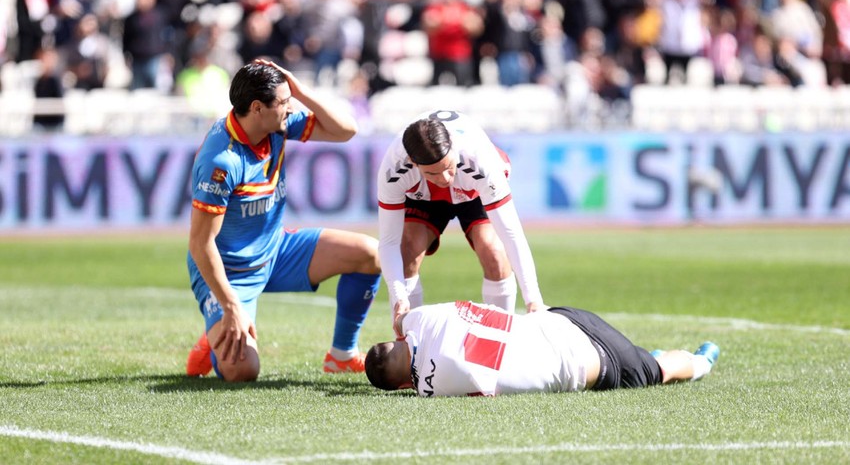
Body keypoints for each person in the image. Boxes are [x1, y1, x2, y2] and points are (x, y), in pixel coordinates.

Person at [185, 59, 382, 382]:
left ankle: (342, 356)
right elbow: (200, 243)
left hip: (276, 250)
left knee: (370, 254)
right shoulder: (221, 161)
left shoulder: (277, 124)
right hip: (231, 273)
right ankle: (214, 338)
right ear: (257, 108)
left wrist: (300, 91)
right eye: (284, 102)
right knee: (243, 370)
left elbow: (346, 130)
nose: (290, 109)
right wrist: (231, 305)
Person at [376, 110, 546, 338]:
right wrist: (398, 296)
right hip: (424, 196)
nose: (445, 179)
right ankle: (410, 343)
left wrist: (533, 299)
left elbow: (512, 234)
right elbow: (388, 242)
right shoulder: (394, 169)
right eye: (433, 172)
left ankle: (501, 340)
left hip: (473, 190)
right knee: (407, 249)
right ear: (413, 163)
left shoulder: (480, 160)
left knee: (493, 250)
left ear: (453, 147)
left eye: (447, 167)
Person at [365, 300, 721, 397]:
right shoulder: (424, 320)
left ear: (402, 387)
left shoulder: (435, 388)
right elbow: (403, 320)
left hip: (593, 362)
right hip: (562, 317)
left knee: (658, 372)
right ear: (396, 342)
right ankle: (678, 357)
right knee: (645, 361)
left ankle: (702, 361)